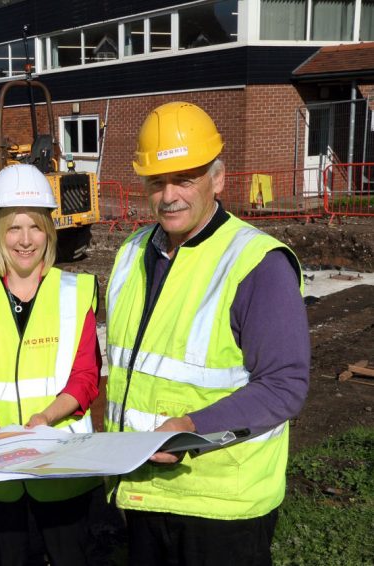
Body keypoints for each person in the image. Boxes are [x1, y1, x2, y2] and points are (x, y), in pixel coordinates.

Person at [104, 101, 310, 565]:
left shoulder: (257, 263)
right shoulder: (133, 252)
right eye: (157, 182)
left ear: (217, 179)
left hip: (221, 510)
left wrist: (191, 428)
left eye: (185, 179)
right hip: (141, 493)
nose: (169, 195)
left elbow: (284, 386)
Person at [0, 163, 102, 566]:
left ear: (48, 231)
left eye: (35, 226)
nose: (24, 240)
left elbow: (86, 377)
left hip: (62, 463)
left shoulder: (75, 291)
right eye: (13, 227)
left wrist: (47, 416)